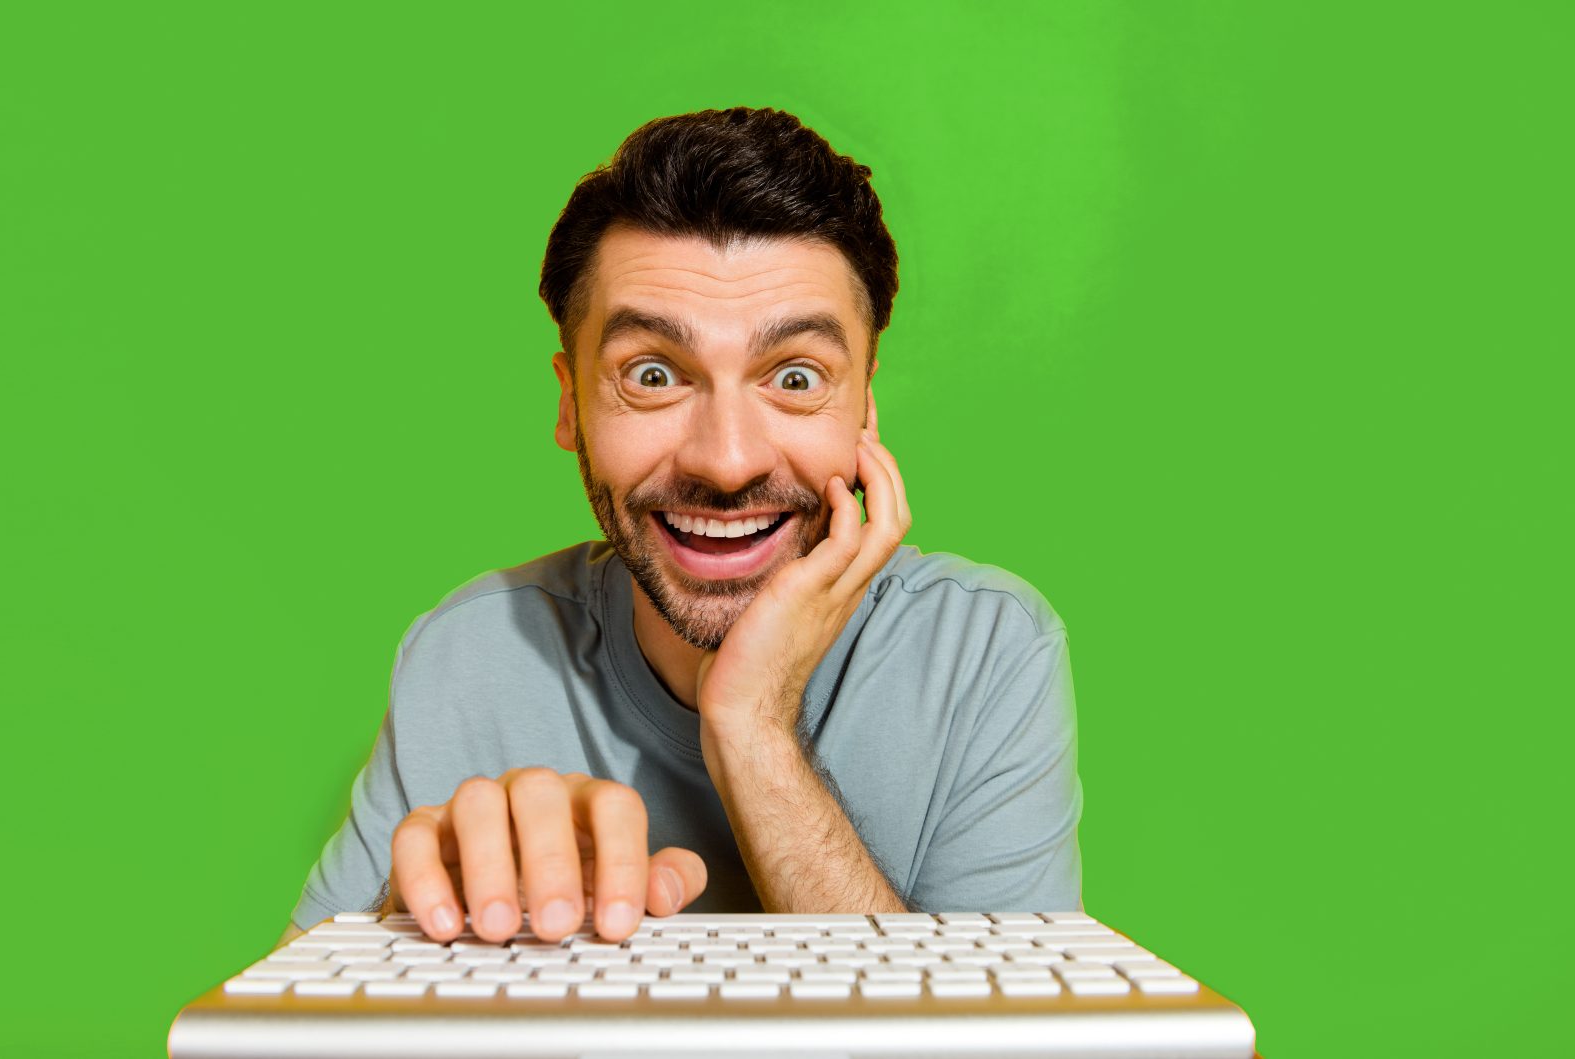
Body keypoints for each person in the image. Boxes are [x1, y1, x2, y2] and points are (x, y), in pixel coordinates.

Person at [282, 107, 1082, 949]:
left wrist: (751, 723)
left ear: (865, 407)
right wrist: (409, 924)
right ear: (570, 401)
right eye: (654, 375)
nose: (727, 461)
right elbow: (270, 1037)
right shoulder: (471, 656)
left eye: (797, 375)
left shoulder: (986, 649)